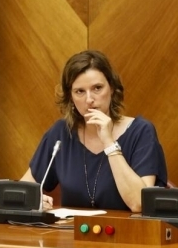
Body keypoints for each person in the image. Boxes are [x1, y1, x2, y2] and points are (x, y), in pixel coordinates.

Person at [20, 50, 167, 212]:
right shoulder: (61, 133)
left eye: (97, 88)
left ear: (111, 88)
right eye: (80, 91)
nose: (89, 100)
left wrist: (109, 142)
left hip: (128, 234)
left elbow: (139, 203)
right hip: (72, 234)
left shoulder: (141, 132)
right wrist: (34, 200)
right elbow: (22, 191)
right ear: (70, 97)